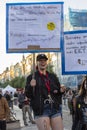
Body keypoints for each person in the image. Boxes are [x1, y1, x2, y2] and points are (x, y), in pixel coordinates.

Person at [25, 54, 66, 130]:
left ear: (46, 62)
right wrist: (31, 86)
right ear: (37, 63)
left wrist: (61, 91)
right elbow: (28, 94)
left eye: (44, 61)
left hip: (54, 108)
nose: (43, 62)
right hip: (41, 109)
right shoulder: (32, 77)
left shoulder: (52, 76)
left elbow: (57, 91)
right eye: (40, 61)